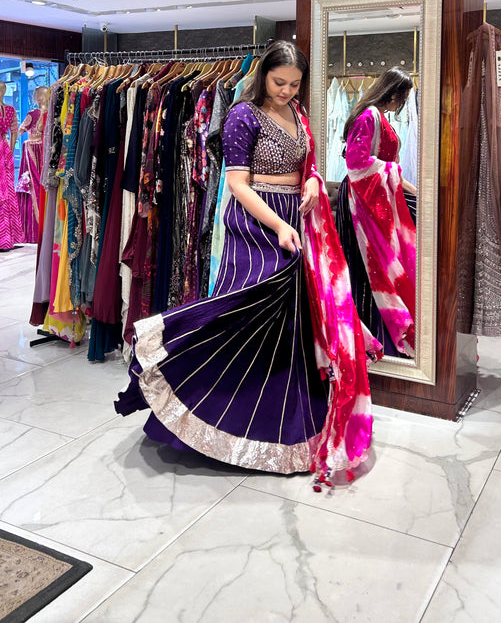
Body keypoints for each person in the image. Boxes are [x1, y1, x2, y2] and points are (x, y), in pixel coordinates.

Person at [116, 41, 381, 486]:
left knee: (290, 324)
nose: (287, 90)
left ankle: (285, 424)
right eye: (280, 82)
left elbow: (307, 164)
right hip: (255, 224)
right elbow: (237, 183)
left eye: (295, 84)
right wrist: (278, 224)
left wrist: (313, 182)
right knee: (245, 313)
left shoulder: (298, 114)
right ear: (263, 76)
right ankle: (208, 404)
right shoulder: (242, 114)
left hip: (295, 222)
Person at [335, 67, 417, 357]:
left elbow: (384, 162)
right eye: (403, 96)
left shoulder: (377, 117)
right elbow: (357, 165)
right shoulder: (369, 115)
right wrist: (395, 176)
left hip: (377, 198)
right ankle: (370, 337)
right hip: (362, 201)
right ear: (394, 92)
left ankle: (378, 334)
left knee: (385, 264)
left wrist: (413, 191)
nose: (402, 102)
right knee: (367, 266)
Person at [16, 85, 49, 243]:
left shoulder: (32, 113)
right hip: (45, 149)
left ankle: (33, 229)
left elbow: (20, 130)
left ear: (38, 98)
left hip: (31, 150)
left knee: (31, 187)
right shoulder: (49, 113)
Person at [0, 81, 24, 251]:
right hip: (5, 147)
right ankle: (7, 236)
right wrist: (9, 146)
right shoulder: (10, 110)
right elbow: (14, 132)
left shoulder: (10, 110)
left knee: (5, 190)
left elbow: (15, 130)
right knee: (6, 190)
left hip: (4, 149)